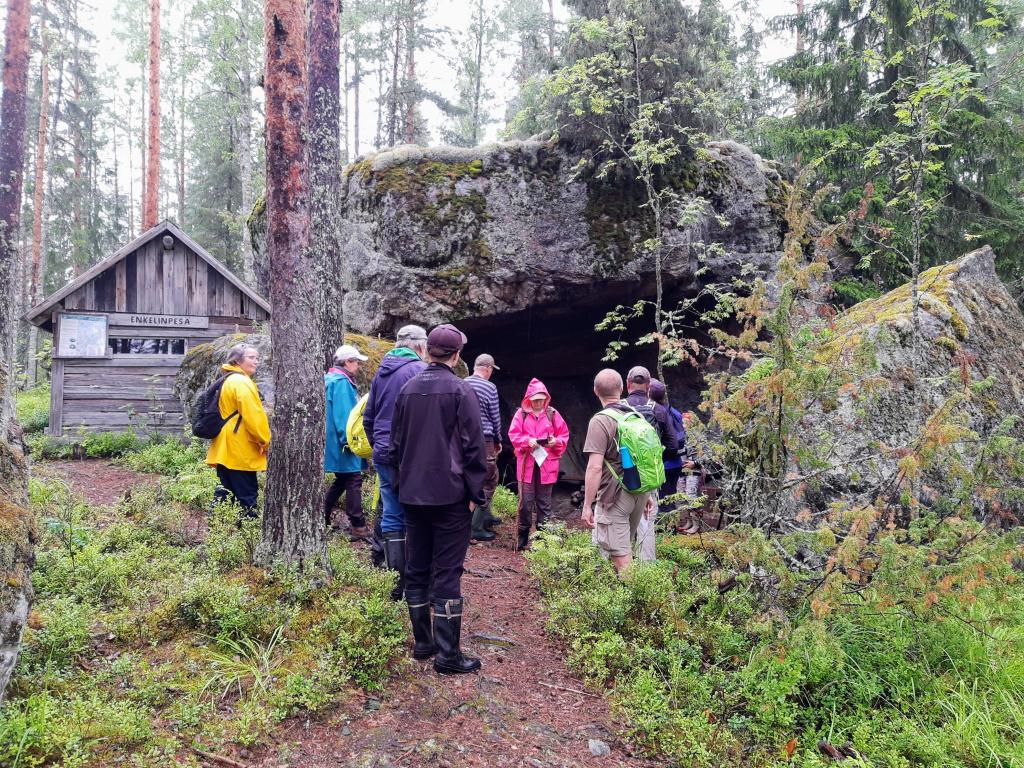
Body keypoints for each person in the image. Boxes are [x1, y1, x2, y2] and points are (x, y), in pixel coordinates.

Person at [390, 323, 487, 674]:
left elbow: (394, 444)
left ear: (428, 350)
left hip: (413, 495)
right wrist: (476, 495)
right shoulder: (461, 391)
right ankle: (447, 656)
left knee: (417, 569)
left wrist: (401, 484)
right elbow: (474, 448)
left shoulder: (407, 389)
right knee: (447, 572)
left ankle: (423, 643)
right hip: (450, 498)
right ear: (457, 355)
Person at [364, 325, 428, 598]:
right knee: (415, 512)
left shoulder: (382, 371)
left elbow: (369, 416)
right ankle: (413, 581)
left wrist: (378, 444)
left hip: (383, 452)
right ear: (419, 346)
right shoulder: (418, 371)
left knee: (391, 511)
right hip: (409, 455)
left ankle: (395, 583)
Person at [580, 368, 654, 574]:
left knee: (622, 560)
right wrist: (646, 493)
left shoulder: (600, 420)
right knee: (623, 547)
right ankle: (622, 598)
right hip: (640, 492)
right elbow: (644, 457)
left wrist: (587, 505)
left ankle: (639, 604)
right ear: (622, 389)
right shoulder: (636, 415)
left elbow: (594, 467)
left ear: (595, 391)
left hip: (616, 497)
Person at [205, 343, 271, 518]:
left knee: (224, 493)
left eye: (257, 358)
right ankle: (248, 536)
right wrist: (265, 442)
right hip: (239, 448)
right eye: (251, 357)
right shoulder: (242, 382)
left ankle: (216, 533)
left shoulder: (229, 379)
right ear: (237, 360)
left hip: (225, 447)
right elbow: (254, 417)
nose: (256, 361)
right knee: (247, 495)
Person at [507, 378, 569, 551]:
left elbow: (563, 435)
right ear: (529, 399)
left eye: (541, 399)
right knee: (525, 503)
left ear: (546, 398)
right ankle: (522, 538)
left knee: (544, 503)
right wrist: (528, 441)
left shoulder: (552, 414)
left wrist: (555, 442)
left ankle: (542, 541)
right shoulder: (521, 414)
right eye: (535, 399)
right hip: (526, 464)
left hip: (546, 465)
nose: (538, 402)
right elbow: (514, 435)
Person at [625, 366, 677, 561]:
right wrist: (655, 460)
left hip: (622, 473)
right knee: (646, 521)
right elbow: (672, 446)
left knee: (621, 519)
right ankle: (646, 569)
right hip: (648, 475)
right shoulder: (659, 411)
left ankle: (619, 566)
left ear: (628, 384)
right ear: (648, 386)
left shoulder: (619, 408)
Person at [324, 344, 370, 538]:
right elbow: (344, 416)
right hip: (342, 442)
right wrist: (350, 441)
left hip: (333, 441)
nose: (358, 366)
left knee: (343, 479)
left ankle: (321, 515)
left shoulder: (330, 378)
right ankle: (358, 524)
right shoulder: (341, 382)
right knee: (353, 478)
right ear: (347, 362)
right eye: (356, 362)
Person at [464, 353, 503, 542]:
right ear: (487, 368)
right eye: (491, 370)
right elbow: (494, 416)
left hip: (462, 439)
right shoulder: (489, 387)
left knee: (467, 478)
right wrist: (498, 439)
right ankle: (475, 526)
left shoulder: (462, 383)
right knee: (488, 479)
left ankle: (484, 516)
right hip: (484, 439)